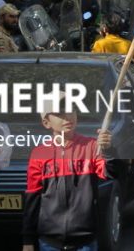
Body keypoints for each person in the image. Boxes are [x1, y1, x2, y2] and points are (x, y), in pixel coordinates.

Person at [23, 97, 113, 251]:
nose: (67, 116)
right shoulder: (39, 153)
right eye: (59, 113)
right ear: (46, 122)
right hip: (49, 242)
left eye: (71, 109)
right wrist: (28, 240)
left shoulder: (91, 147)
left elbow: (110, 173)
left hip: (86, 242)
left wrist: (108, 151)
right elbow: (32, 199)